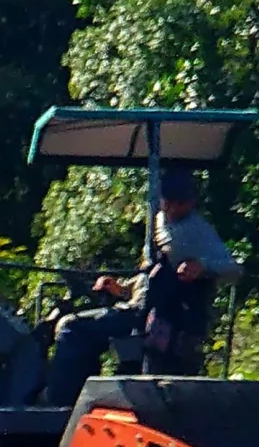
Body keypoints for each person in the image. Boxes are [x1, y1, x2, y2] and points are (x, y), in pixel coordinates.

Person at [41, 166, 242, 404]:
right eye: (170, 201)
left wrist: (203, 266)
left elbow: (234, 269)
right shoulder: (157, 223)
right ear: (163, 200)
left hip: (160, 318)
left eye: (182, 202)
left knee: (71, 328)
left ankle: (58, 406)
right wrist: (121, 288)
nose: (175, 208)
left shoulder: (197, 231)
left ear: (190, 202)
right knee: (71, 325)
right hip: (139, 307)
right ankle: (78, 399)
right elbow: (151, 276)